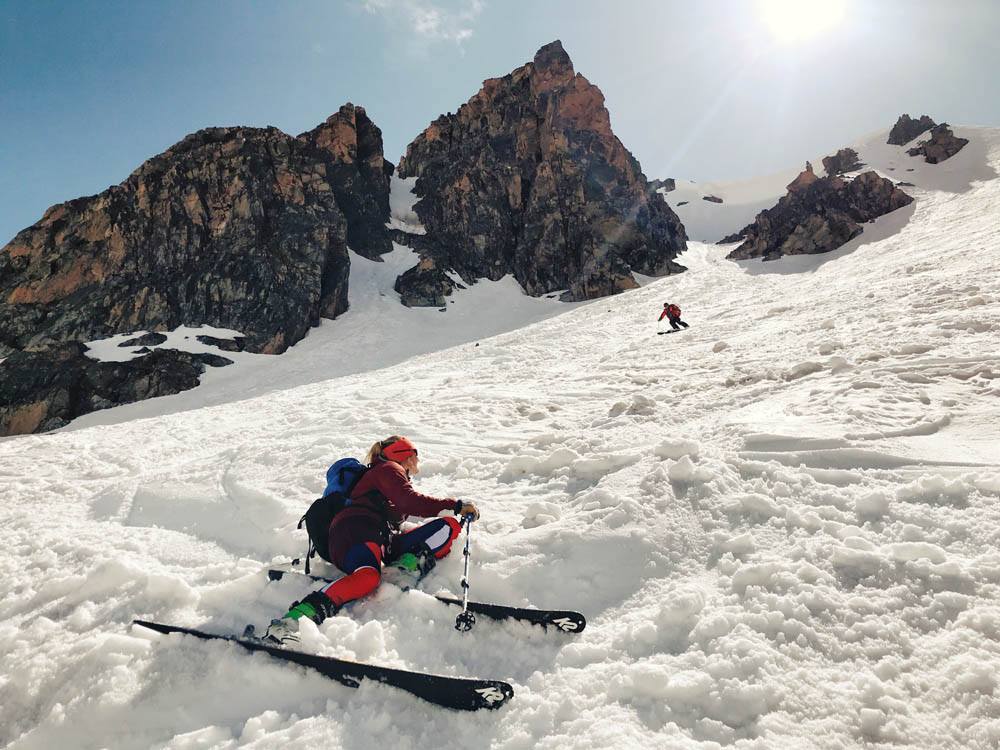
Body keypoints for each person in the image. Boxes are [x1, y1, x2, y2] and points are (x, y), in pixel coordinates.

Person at [264, 436, 480, 645]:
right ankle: (293, 620)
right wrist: (456, 505)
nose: (418, 461)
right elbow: (411, 501)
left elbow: (406, 508)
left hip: (378, 538)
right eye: (415, 455)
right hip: (355, 530)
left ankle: (401, 567)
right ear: (404, 453)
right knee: (367, 577)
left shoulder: (388, 478)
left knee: (447, 527)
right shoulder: (388, 469)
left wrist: (454, 515)